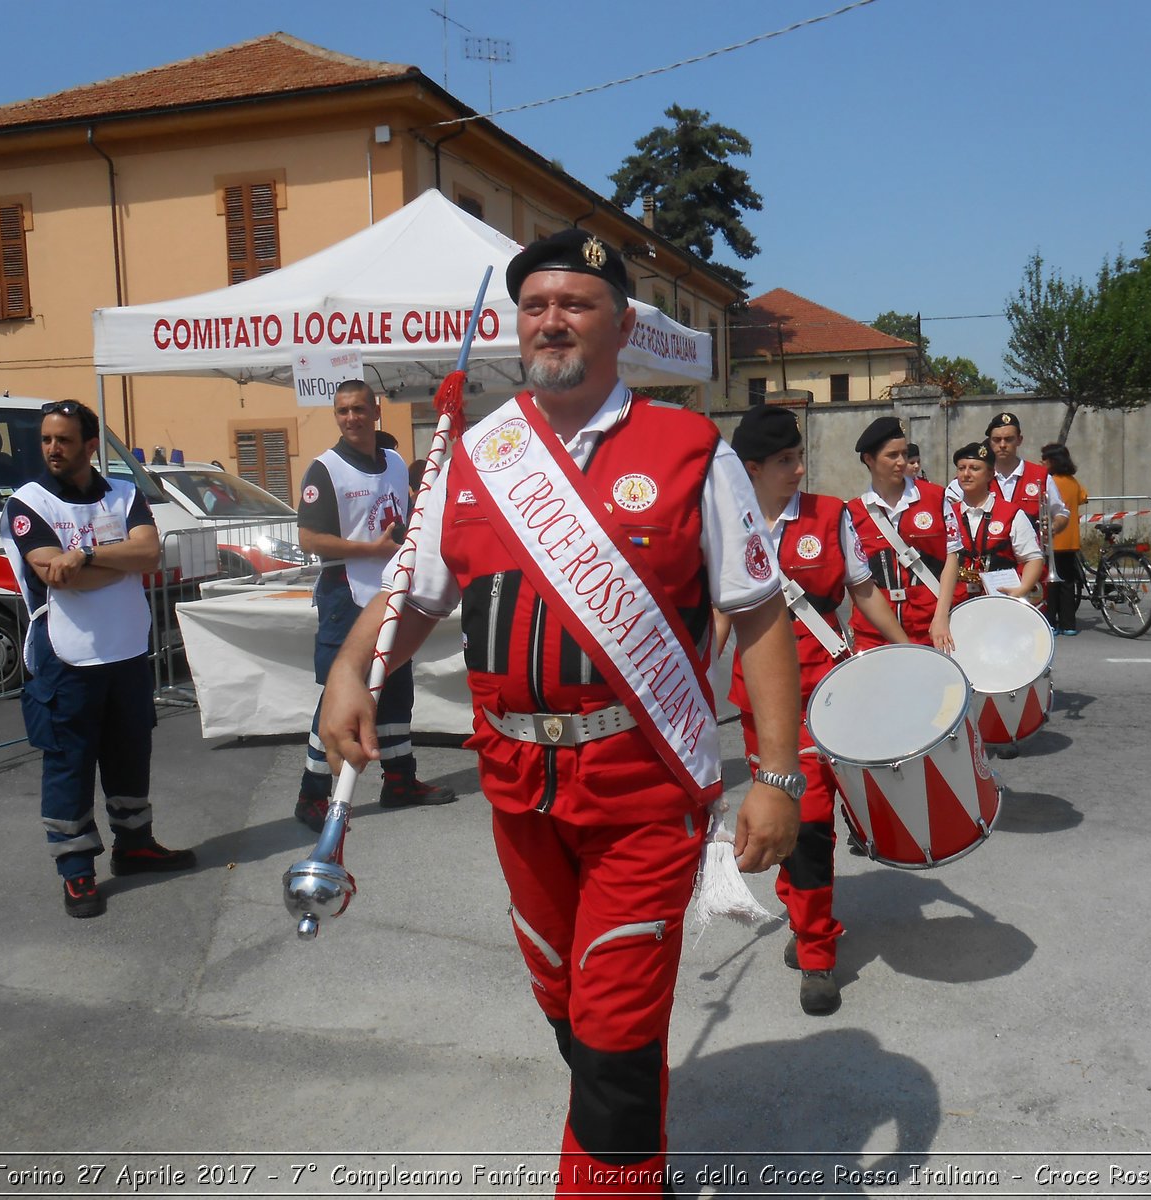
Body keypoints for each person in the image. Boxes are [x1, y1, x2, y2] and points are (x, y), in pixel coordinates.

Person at [319, 229, 802, 1197]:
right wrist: (348, 672)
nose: (551, 321)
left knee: (616, 1024)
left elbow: (757, 617)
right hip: (518, 788)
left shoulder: (688, 450)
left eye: (575, 303)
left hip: (640, 788)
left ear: (621, 324)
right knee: (566, 997)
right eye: (535, 305)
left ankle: (612, 1180)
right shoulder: (477, 453)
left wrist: (777, 780)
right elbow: (412, 595)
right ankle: (628, 1149)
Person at [719, 404, 908, 1016]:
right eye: (784, 461)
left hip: (824, 691)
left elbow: (863, 590)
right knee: (784, 818)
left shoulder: (831, 517)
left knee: (813, 818)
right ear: (750, 469)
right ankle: (804, 917)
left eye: (800, 457)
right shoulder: (726, 525)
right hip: (758, 698)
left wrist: (909, 651)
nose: (799, 469)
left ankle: (818, 952)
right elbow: (721, 614)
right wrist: (692, 681)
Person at [0, 399, 196, 918]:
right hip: (66, 657)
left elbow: (149, 553)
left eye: (63, 440)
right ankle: (76, 870)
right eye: (46, 439)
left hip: (126, 650)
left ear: (91, 445)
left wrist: (86, 554)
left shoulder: (125, 493)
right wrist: (119, 560)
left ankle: (135, 846)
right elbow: (57, 575)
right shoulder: (28, 504)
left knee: (130, 754)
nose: (52, 449)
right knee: (70, 763)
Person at [293, 380, 455, 830]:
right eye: (343, 411)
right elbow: (309, 539)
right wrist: (375, 549)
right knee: (340, 692)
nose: (351, 418)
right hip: (346, 593)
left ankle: (400, 778)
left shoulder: (393, 462)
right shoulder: (324, 470)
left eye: (358, 409)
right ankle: (312, 792)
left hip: (389, 589)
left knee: (397, 684)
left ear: (375, 411)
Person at [846, 416, 965, 653]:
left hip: (930, 624)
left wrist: (941, 616)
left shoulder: (936, 498)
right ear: (869, 459)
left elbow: (952, 555)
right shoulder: (853, 512)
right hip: (874, 632)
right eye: (892, 455)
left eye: (904, 453)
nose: (901, 462)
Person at [936, 441, 1046, 618]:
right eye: (961, 468)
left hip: (999, 604)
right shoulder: (946, 514)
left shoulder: (1011, 514)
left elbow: (1033, 557)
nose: (966, 474)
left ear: (990, 474)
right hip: (955, 606)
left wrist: (1022, 589)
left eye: (974, 468)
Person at [947, 411, 1069, 540]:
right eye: (997, 440)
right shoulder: (971, 478)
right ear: (989, 441)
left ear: (1019, 440)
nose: (1003, 445)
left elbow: (1061, 513)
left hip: (1031, 555)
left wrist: (1053, 527)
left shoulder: (1041, 476)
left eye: (1009, 439)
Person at [1041, 441, 1089, 635]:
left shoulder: (1050, 482)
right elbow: (1083, 497)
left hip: (1053, 540)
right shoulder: (1072, 481)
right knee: (1068, 584)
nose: (1041, 461)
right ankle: (1069, 624)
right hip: (1071, 541)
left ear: (1052, 461)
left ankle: (1051, 623)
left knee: (1051, 586)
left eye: (1044, 458)